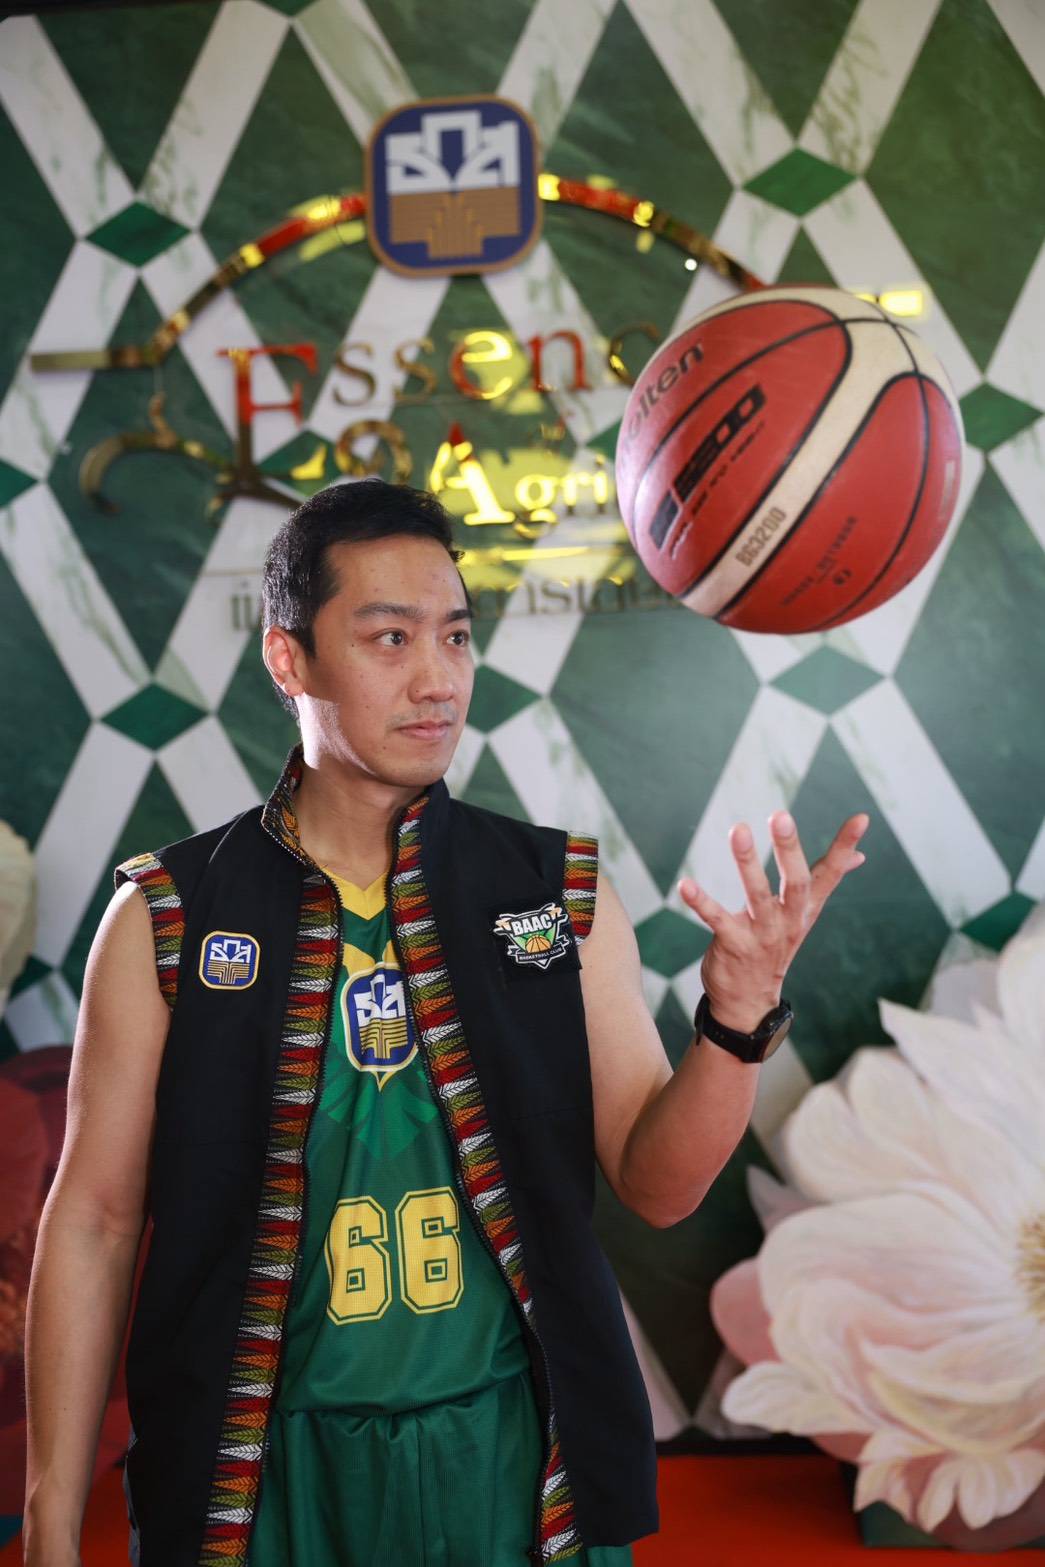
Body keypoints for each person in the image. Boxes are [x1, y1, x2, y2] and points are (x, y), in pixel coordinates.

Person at [23, 478, 869, 1567]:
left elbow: (657, 1185)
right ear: (289, 659)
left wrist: (736, 1020)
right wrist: (50, 1521)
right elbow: (93, 1222)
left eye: (456, 636)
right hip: (263, 1480)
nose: (437, 678)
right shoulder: (169, 915)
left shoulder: (556, 895)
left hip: (515, 1467)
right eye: (389, 638)